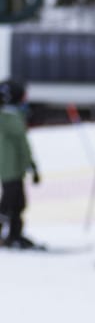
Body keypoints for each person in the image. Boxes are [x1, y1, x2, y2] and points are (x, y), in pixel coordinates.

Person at [0, 78, 40, 248]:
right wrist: (31, 166)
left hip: (11, 168)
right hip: (11, 168)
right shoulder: (11, 119)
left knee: (16, 202)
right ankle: (12, 235)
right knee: (11, 203)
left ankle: (14, 234)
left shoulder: (9, 117)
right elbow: (23, 146)